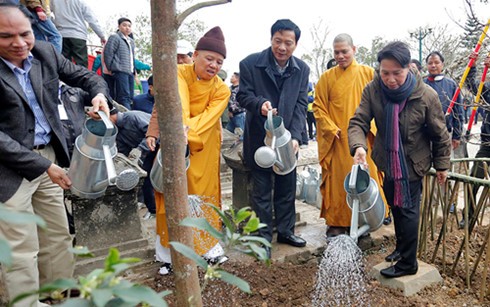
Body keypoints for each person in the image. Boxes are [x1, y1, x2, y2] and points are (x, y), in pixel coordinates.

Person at [0, 4, 112, 305]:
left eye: (25, 34)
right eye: (6, 36)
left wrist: (99, 94)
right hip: (7, 169)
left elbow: (87, 78)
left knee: (57, 235)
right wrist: (42, 165)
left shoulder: (44, 53)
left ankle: (58, 294)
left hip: (48, 157)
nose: (19, 43)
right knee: (22, 243)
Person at [348, 41, 451, 278]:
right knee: (395, 206)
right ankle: (401, 250)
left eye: (397, 73)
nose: (390, 79)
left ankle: (408, 264)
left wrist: (442, 165)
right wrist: (359, 147)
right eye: (385, 73)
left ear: (409, 68)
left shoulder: (426, 95)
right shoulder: (373, 90)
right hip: (387, 160)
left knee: (407, 210)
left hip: (414, 163)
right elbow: (358, 122)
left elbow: (440, 133)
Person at [146, 26, 230, 274]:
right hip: (174, 140)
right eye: (209, 58)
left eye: (219, 61)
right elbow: (170, 103)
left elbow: (208, 118)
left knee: (203, 196)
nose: (214, 65)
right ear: (195, 55)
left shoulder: (221, 88)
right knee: (170, 195)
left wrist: (183, 130)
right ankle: (168, 256)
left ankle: (208, 250)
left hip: (204, 144)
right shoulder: (177, 73)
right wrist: (158, 131)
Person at [237, 19, 309, 257]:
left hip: (287, 139)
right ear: (271, 39)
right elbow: (243, 96)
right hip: (260, 138)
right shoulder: (250, 64)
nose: (282, 47)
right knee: (261, 191)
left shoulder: (302, 69)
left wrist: (297, 136)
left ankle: (286, 231)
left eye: (288, 43)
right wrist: (260, 106)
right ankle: (263, 239)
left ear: (295, 44)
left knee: (287, 188)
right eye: (278, 41)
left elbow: (300, 105)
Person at [313, 33, 387, 237]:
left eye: (344, 51)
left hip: (364, 139)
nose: (340, 56)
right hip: (337, 140)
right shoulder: (327, 78)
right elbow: (318, 107)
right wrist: (329, 128)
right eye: (336, 52)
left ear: (354, 50)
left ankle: (366, 219)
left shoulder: (369, 73)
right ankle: (338, 222)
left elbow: (380, 104)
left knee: (365, 179)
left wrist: (372, 129)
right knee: (339, 184)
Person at [460, 52, 490, 228]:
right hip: (487, 144)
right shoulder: (488, 91)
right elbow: (472, 86)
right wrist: (473, 66)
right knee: (474, 180)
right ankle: (468, 216)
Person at [424, 51, 464, 150]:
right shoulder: (421, 85)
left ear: (442, 64)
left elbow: (458, 112)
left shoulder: (451, 85)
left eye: (436, 62)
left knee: (445, 163)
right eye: (430, 63)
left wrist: (456, 136)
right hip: (423, 135)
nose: (433, 65)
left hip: (445, 133)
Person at [50, 0, 106, 68]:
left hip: (62, 34)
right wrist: (102, 36)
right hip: (78, 35)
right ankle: (82, 78)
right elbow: (92, 20)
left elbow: (46, 12)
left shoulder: (54, 1)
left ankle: (65, 78)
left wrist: (53, 22)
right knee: (81, 64)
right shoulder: (80, 2)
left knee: (64, 64)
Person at [103, 17, 136, 110]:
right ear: (119, 26)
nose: (127, 28)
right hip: (119, 70)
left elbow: (132, 57)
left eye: (129, 26)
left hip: (130, 71)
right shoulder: (115, 37)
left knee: (130, 96)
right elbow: (108, 53)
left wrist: (135, 71)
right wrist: (110, 68)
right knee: (123, 95)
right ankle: (127, 116)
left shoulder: (131, 41)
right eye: (124, 25)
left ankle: (127, 113)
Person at [226, 72, 246, 139]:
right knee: (228, 133)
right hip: (232, 115)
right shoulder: (230, 89)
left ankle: (243, 148)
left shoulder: (240, 89)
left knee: (242, 134)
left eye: (232, 77)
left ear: (237, 79)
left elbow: (239, 103)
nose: (231, 78)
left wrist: (231, 110)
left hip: (239, 115)